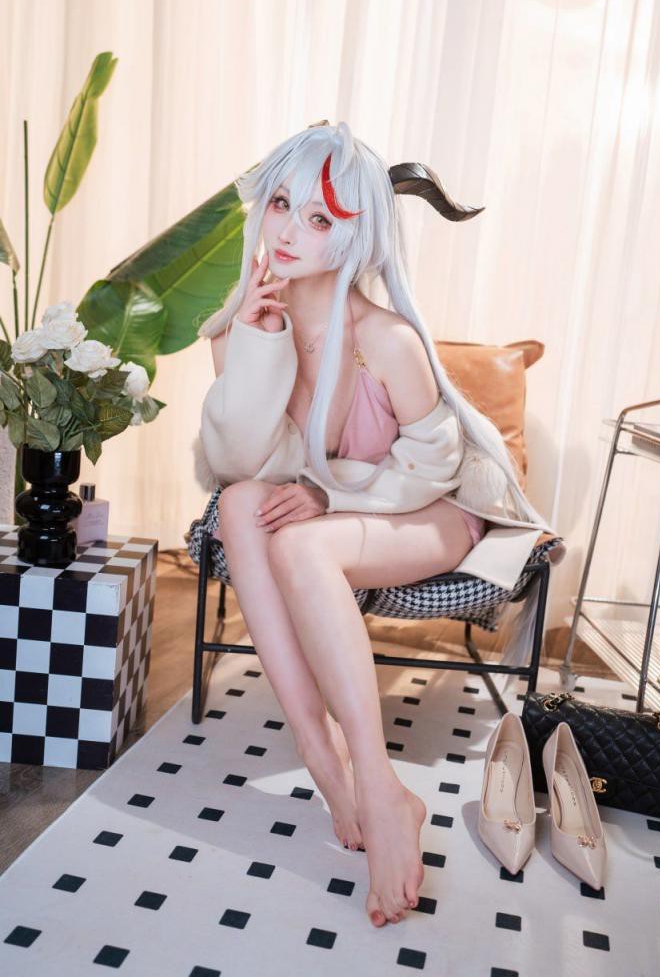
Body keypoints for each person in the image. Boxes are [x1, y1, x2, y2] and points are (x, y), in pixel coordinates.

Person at [191, 122, 563, 928]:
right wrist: (258, 348)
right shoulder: (235, 329)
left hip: (433, 510)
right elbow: (236, 464)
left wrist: (331, 499)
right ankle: (324, 759)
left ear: (357, 233)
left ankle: (379, 782)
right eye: (280, 204)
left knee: (303, 539)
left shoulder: (386, 339)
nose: (289, 230)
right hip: (339, 512)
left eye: (320, 217)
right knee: (241, 505)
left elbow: (433, 470)